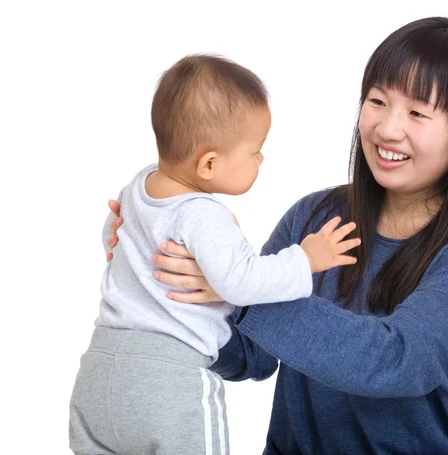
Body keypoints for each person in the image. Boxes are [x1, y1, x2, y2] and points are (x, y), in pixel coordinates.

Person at [107, 16, 448, 455]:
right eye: (378, 101)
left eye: (418, 112)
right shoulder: (315, 216)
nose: (386, 128)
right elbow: (250, 352)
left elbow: (396, 361)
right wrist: (160, 264)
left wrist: (235, 289)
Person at [69, 54, 360, 455]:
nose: (261, 160)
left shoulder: (137, 189)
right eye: (254, 152)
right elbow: (238, 281)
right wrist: (305, 259)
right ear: (208, 163)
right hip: (167, 377)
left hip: (99, 371)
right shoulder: (203, 214)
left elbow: (112, 237)